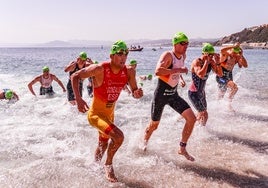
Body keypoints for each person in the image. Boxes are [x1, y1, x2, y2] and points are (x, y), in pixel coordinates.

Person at [71, 40, 143, 182]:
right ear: (111, 56)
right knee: (119, 137)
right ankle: (108, 166)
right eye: (120, 53)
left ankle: (93, 167)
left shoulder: (129, 71)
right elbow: (75, 76)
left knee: (103, 144)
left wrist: (137, 93)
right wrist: (78, 99)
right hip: (96, 115)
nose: (123, 57)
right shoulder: (100, 69)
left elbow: (134, 91)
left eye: (126, 53)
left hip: (109, 115)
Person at [143, 32, 196, 161]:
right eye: (183, 43)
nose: (186, 46)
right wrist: (179, 71)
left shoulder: (183, 55)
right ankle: (144, 141)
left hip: (173, 94)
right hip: (161, 95)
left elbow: (178, 68)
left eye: (187, 43)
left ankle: (182, 148)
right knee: (154, 125)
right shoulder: (168, 55)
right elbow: (158, 71)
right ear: (175, 44)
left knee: (192, 119)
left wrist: (181, 78)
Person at [188, 43, 223, 126]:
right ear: (203, 53)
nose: (210, 57)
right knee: (205, 114)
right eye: (209, 55)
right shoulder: (196, 62)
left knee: (201, 114)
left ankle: (185, 120)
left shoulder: (211, 62)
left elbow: (220, 74)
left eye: (212, 55)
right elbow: (201, 74)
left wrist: (218, 62)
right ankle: (202, 132)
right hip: (194, 93)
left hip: (201, 93)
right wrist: (206, 63)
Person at [216, 42, 248, 111]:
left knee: (221, 94)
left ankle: (218, 107)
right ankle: (228, 105)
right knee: (234, 88)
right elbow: (222, 50)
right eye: (234, 53)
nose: (235, 55)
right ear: (232, 50)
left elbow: (245, 65)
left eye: (237, 54)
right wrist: (233, 46)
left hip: (229, 75)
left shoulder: (237, 57)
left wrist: (241, 55)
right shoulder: (226, 54)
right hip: (221, 76)